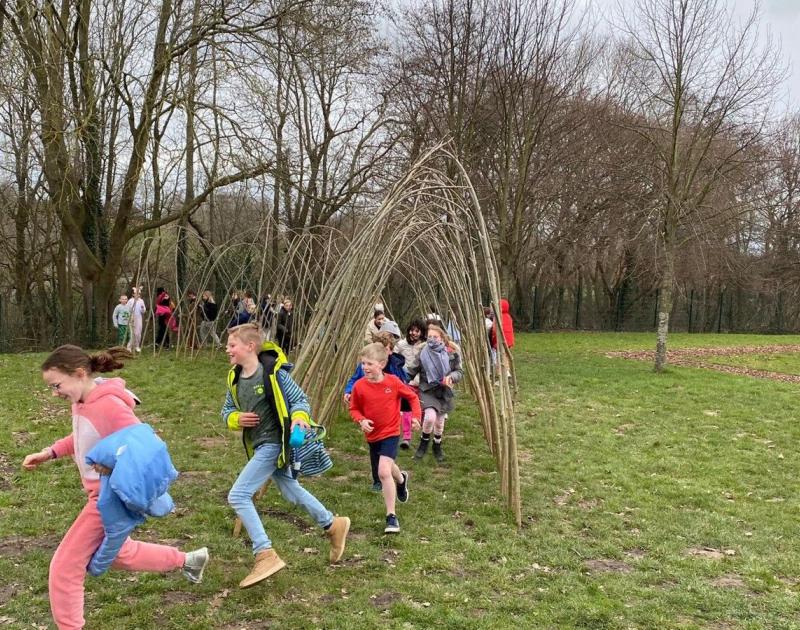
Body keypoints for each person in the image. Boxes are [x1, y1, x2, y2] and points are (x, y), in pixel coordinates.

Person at [22, 345, 209, 630]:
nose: (55, 393)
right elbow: (83, 435)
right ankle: (189, 560)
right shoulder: (84, 400)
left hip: (106, 499)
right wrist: (50, 452)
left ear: (79, 374)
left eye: (57, 385)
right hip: (98, 494)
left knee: (65, 567)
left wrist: (114, 468)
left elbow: (144, 445)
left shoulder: (108, 405)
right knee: (121, 554)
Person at [222, 323, 349, 588]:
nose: (227, 349)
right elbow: (226, 411)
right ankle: (332, 524)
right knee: (290, 489)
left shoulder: (273, 374)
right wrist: (236, 418)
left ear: (250, 346)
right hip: (258, 445)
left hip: (274, 444)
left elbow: (300, 400)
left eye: (232, 345)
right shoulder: (234, 378)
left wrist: (300, 418)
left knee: (238, 495)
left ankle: (264, 552)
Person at [349, 343, 421, 534]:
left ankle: (391, 517)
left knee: (382, 472)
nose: (365, 367)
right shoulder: (359, 386)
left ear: (381, 364)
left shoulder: (393, 382)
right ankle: (401, 479)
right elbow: (354, 408)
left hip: (391, 432)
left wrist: (416, 417)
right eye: (363, 363)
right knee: (388, 467)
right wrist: (361, 420)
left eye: (369, 364)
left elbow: (412, 397)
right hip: (373, 435)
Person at [344, 331, 409, 489]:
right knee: (376, 453)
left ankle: (384, 480)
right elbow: (355, 379)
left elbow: (404, 382)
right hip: (372, 418)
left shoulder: (394, 365)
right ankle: (382, 479)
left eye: (386, 349)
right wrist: (349, 390)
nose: (382, 352)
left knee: (385, 459)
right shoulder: (366, 366)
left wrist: (402, 402)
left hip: (390, 416)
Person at [408, 324, 463, 463]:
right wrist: (401, 379)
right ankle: (423, 443)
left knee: (439, 422)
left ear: (442, 338)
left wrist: (451, 377)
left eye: (435, 337)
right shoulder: (423, 353)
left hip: (444, 391)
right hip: (427, 389)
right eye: (430, 337)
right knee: (430, 417)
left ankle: (437, 445)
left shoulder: (451, 353)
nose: (432, 339)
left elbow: (459, 372)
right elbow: (412, 370)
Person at [394, 319, 427, 449]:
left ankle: (422, 430)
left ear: (422, 332)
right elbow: (393, 357)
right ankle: (406, 437)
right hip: (407, 381)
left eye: (417, 331)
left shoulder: (426, 346)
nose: (414, 333)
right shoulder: (402, 345)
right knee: (406, 408)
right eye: (412, 330)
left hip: (423, 382)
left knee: (422, 408)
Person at [126, 286, 146, 353]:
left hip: (139, 318)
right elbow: (127, 310)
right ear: (133, 294)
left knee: (138, 333)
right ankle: (129, 347)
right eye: (136, 294)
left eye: (139, 294)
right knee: (132, 333)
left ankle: (137, 346)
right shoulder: (130, 301)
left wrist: (142, 308)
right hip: (132, 317)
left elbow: (143, 311)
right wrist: (129, 317)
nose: (138, 295)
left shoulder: (141, 301)